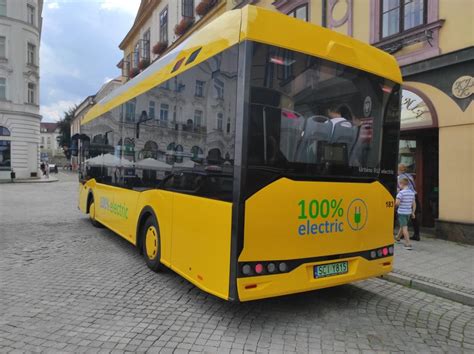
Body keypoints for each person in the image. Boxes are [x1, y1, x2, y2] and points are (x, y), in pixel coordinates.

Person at [398, 163, 420, 240]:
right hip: (414, 195)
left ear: (400, 170)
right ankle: (417, 234)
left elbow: (399, 188)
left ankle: (402, 234)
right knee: (413, 215)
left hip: (405, 196)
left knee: (403, 215)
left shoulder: (400, 177)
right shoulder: (409, 176)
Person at [395, 177, 416, 250]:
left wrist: (396, 198)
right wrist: (413, 212)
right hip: (408, 213)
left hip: (402, 213)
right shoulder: (411, 192)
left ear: (401, 184)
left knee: (404, 228)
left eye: (399, 185)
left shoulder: (401, 193)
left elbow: (397, 203)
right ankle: (397, 238)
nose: (399, 186)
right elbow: (414, 203)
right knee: (403, 225)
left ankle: (408, 243)